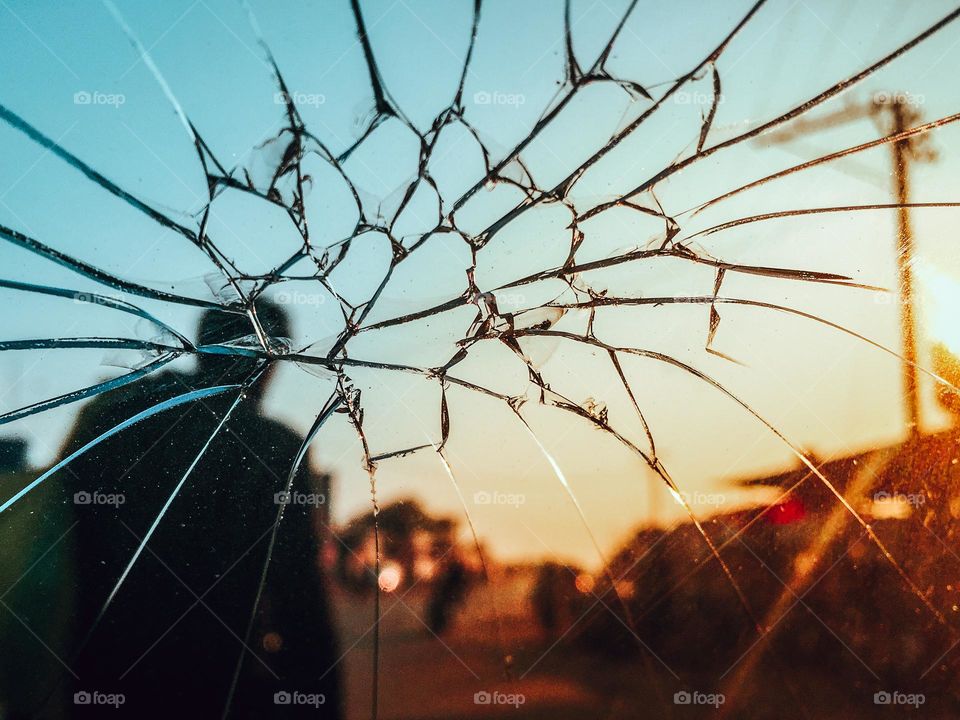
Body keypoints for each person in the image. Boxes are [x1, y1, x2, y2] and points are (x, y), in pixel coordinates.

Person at [56, 300, 341, 718]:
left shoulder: (115, 418)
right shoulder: (273, 447)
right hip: (222, 675)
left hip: (105, 670)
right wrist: (318, 699)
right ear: (269, 358)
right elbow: (299, 596)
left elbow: (63, 541)